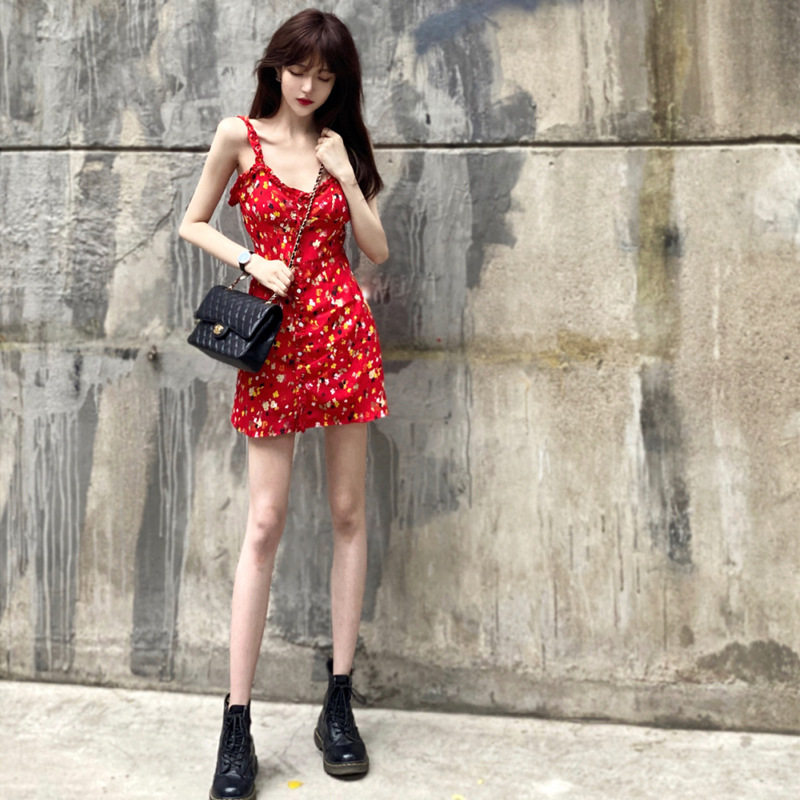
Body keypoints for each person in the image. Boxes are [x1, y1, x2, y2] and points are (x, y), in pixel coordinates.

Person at [179, 9, 389, 799]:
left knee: (346, 513)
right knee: (264, 523)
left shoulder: (340, 145)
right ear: (277, 67)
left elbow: (375, 249)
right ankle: (236, 723)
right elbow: (192, 222)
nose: (309, 86)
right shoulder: (239, 136)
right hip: (273, 347)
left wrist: (344, 174)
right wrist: (250, 260)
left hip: (342, 340)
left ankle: (338, 702)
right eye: (299, 70)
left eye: (325, 76)